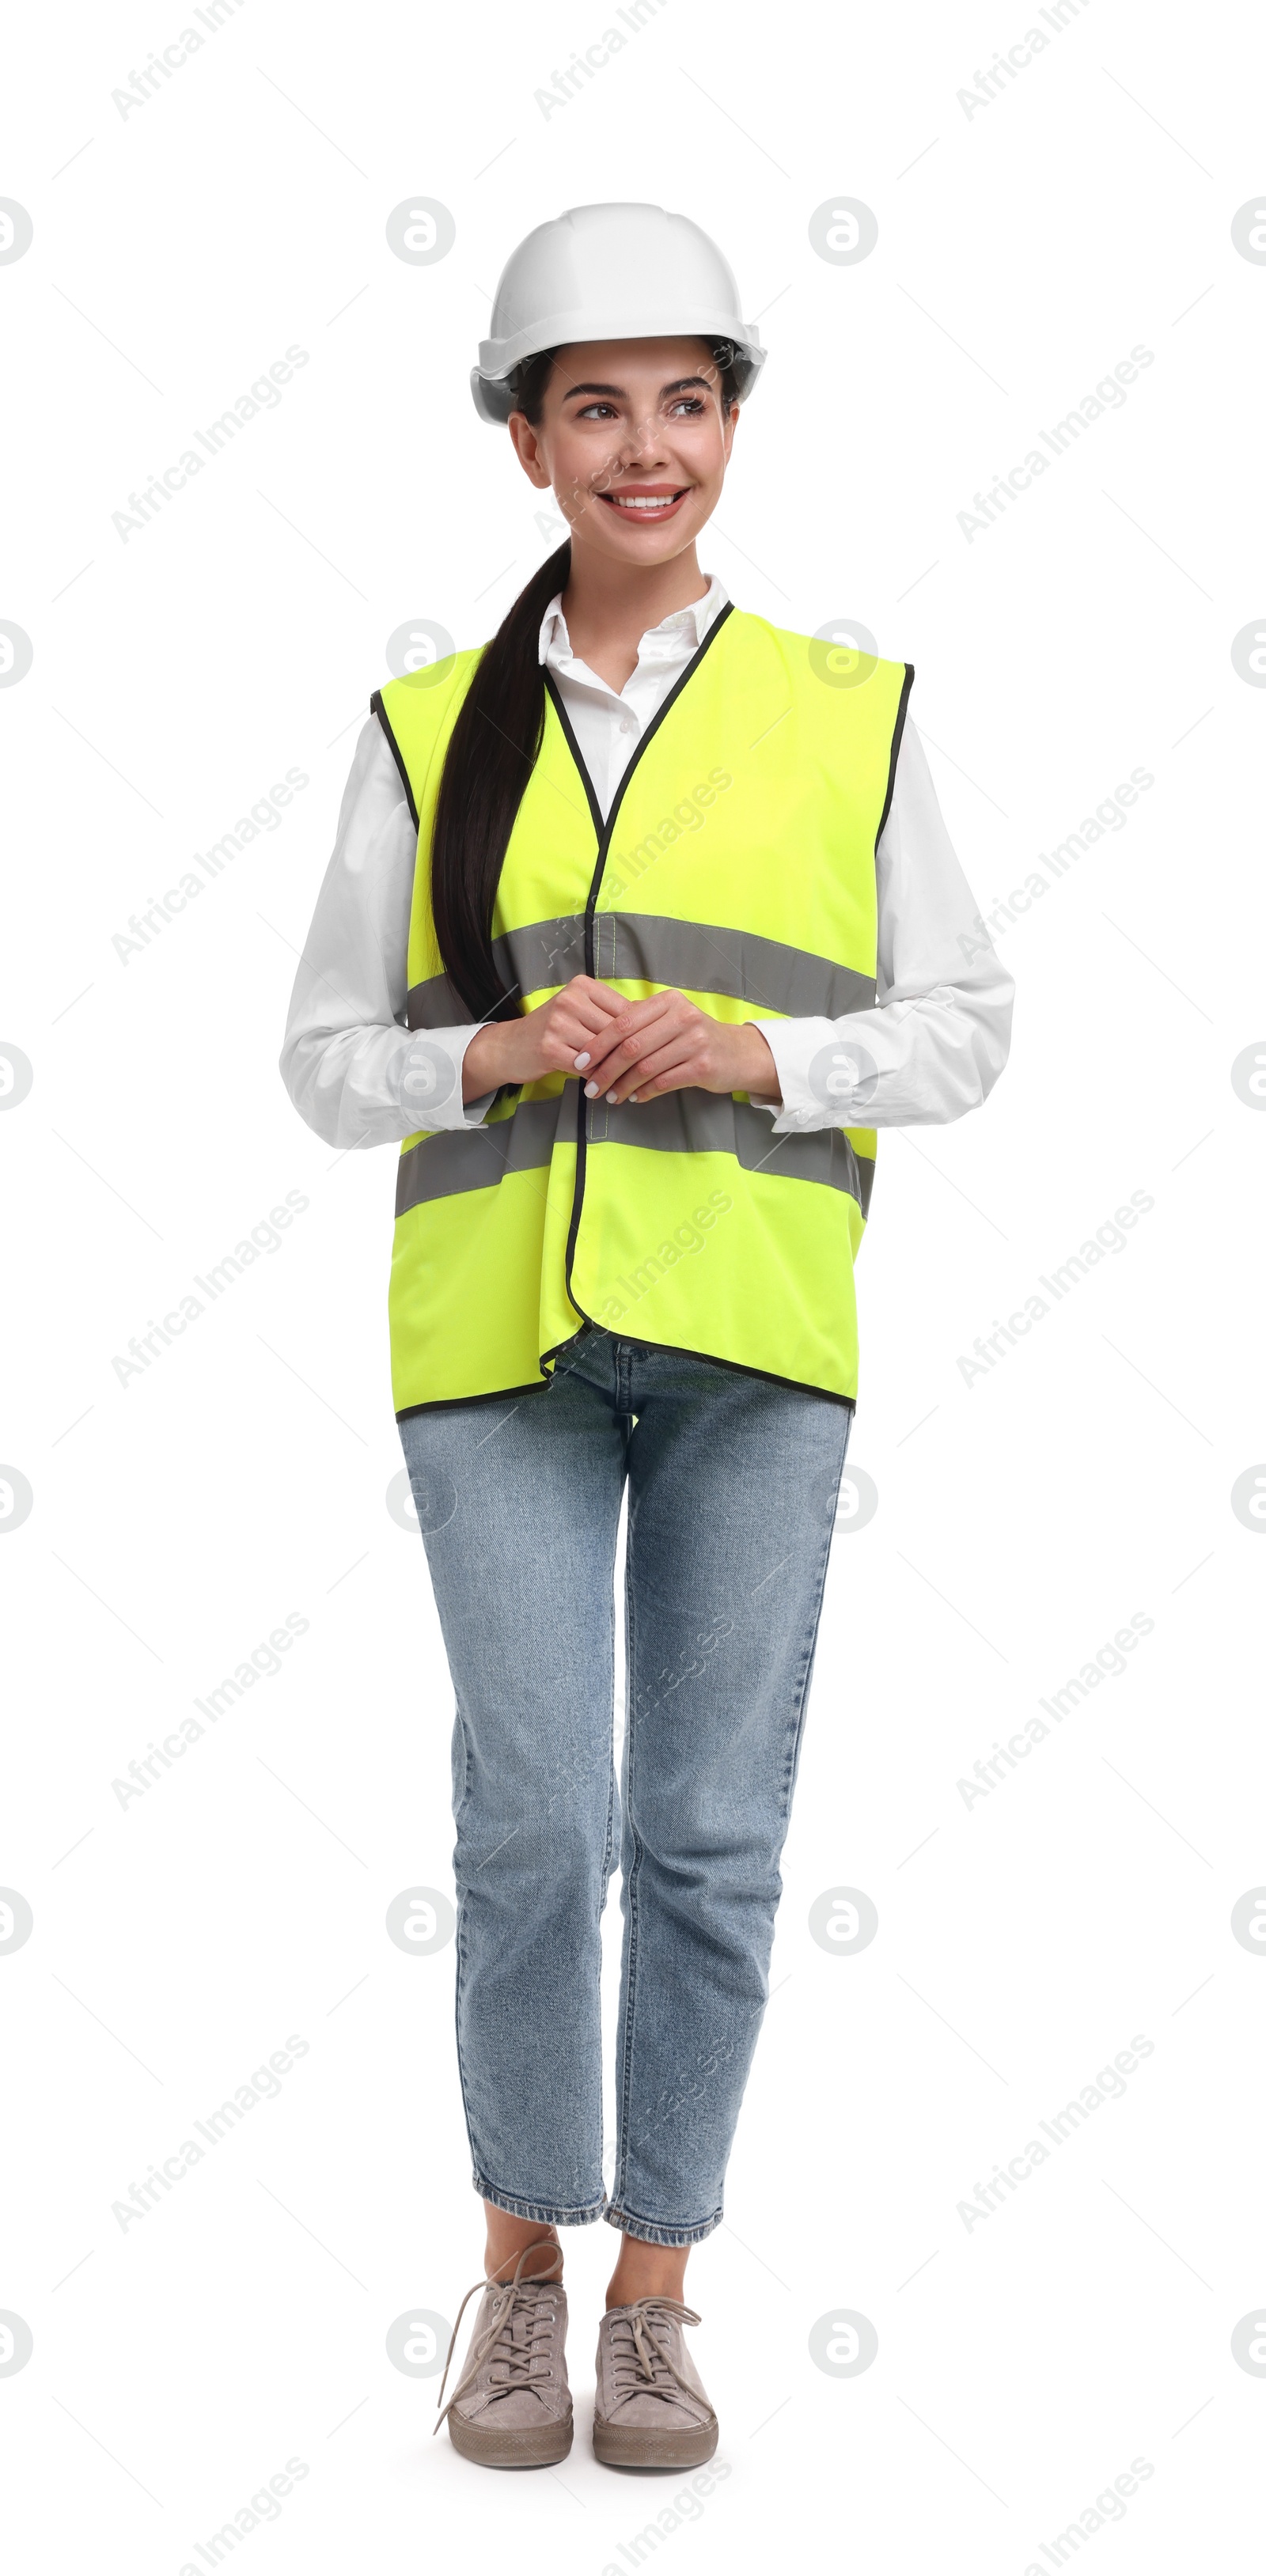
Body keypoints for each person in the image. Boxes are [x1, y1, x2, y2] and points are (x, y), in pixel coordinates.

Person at [280, 199, 1013, 2472]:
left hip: (752, 1338)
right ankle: (514, 2271)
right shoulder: (427, 730)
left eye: (684, 401)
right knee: (538, 1820)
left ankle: (657, 2292)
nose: (644, 445)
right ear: (525, 443)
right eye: (592, 404)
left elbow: (968, 1029)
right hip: (497, 1337)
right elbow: (323, 1062)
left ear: (730, 427)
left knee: (703, 1828)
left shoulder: (847, 711)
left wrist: (759, 1061)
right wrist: (489, 1059)